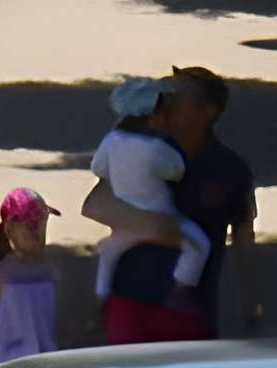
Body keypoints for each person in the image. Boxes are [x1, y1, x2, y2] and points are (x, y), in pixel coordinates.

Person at [81, 68, 260, 341]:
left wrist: (249, 310)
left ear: (208, 111)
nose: (169, 101)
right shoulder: (141, 149)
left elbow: (244, 241)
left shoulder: (233, 171)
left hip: (190, 312)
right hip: (130, 304)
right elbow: (94, 205)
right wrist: (160, 227)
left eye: (180, 97)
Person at [86, 79, 209, 345]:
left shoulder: (111, 141)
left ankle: (101, 300)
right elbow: (176, 170)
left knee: (108, 253)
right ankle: (181, 289)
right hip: (163, 217)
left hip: (125, 218)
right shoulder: (157, 149)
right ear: (153, 118)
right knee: (198, 245)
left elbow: (98, 168)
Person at [0, 186, 64, 368]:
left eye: (43, 223)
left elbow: (61, 325)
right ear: (10, 229)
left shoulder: (51, 270)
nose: (39, 234)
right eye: (31, 227)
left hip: (49, 364)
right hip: (8, 367)